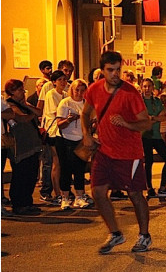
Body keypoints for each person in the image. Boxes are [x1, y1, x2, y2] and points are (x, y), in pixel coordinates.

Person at [81, 51, 154, 254]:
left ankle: (144, 236)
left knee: (135, 194)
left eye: (118, 70)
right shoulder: (94, 89)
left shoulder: (130, 93)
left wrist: (127, 123)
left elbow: (146, 123)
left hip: (129, 154)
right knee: (97, 192)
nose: (115, 74)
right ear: (102, 70)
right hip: (104, 151)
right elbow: (85, 112)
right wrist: (87, 134)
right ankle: (115, 233)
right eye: (110, 70)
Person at [4, 79, 43, 215]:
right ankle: (19, 204)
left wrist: (27, 105)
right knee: (21, 174)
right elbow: (21, 118)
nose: (23, 92)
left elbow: (39, 112)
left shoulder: (24, 104)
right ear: (12, 91)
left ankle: (27, 201)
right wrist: (29, 112)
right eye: (20, 90)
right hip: (19, 145)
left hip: (32, 144)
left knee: (31, 174)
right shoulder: (9, 104)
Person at [55, 79, 91, 210]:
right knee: (65, 169)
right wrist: (69, 119)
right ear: (72, 90)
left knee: (79, 169)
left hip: (80, 140)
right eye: (77, 90)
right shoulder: (65, 103)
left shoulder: (86, 104)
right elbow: (59, 124)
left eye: (82, 90)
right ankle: (64, 197)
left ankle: (79, 197)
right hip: (65, 139)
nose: (79, 93)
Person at [140, 79, 166, 199]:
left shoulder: (156, 101)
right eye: (145, 86)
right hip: (145, 135)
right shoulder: (140, 101)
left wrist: (152, 118)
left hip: (156, 135)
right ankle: (149, 188)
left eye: (149, 86)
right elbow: (140, 117)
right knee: (148, 161)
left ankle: (162, 187)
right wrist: (153, 118)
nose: (147, 89)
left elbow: (163, 117)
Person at [41, 70, 69, 203]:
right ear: (53, 82)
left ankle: (63, 191)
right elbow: (57, 111)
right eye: (60, 80)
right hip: (53, 131)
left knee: (62, 163)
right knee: (55, 163)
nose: (63, 82)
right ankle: (57, 192)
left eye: (65, 79)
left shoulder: (64, 94)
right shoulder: (51, 94)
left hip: (63, 131)